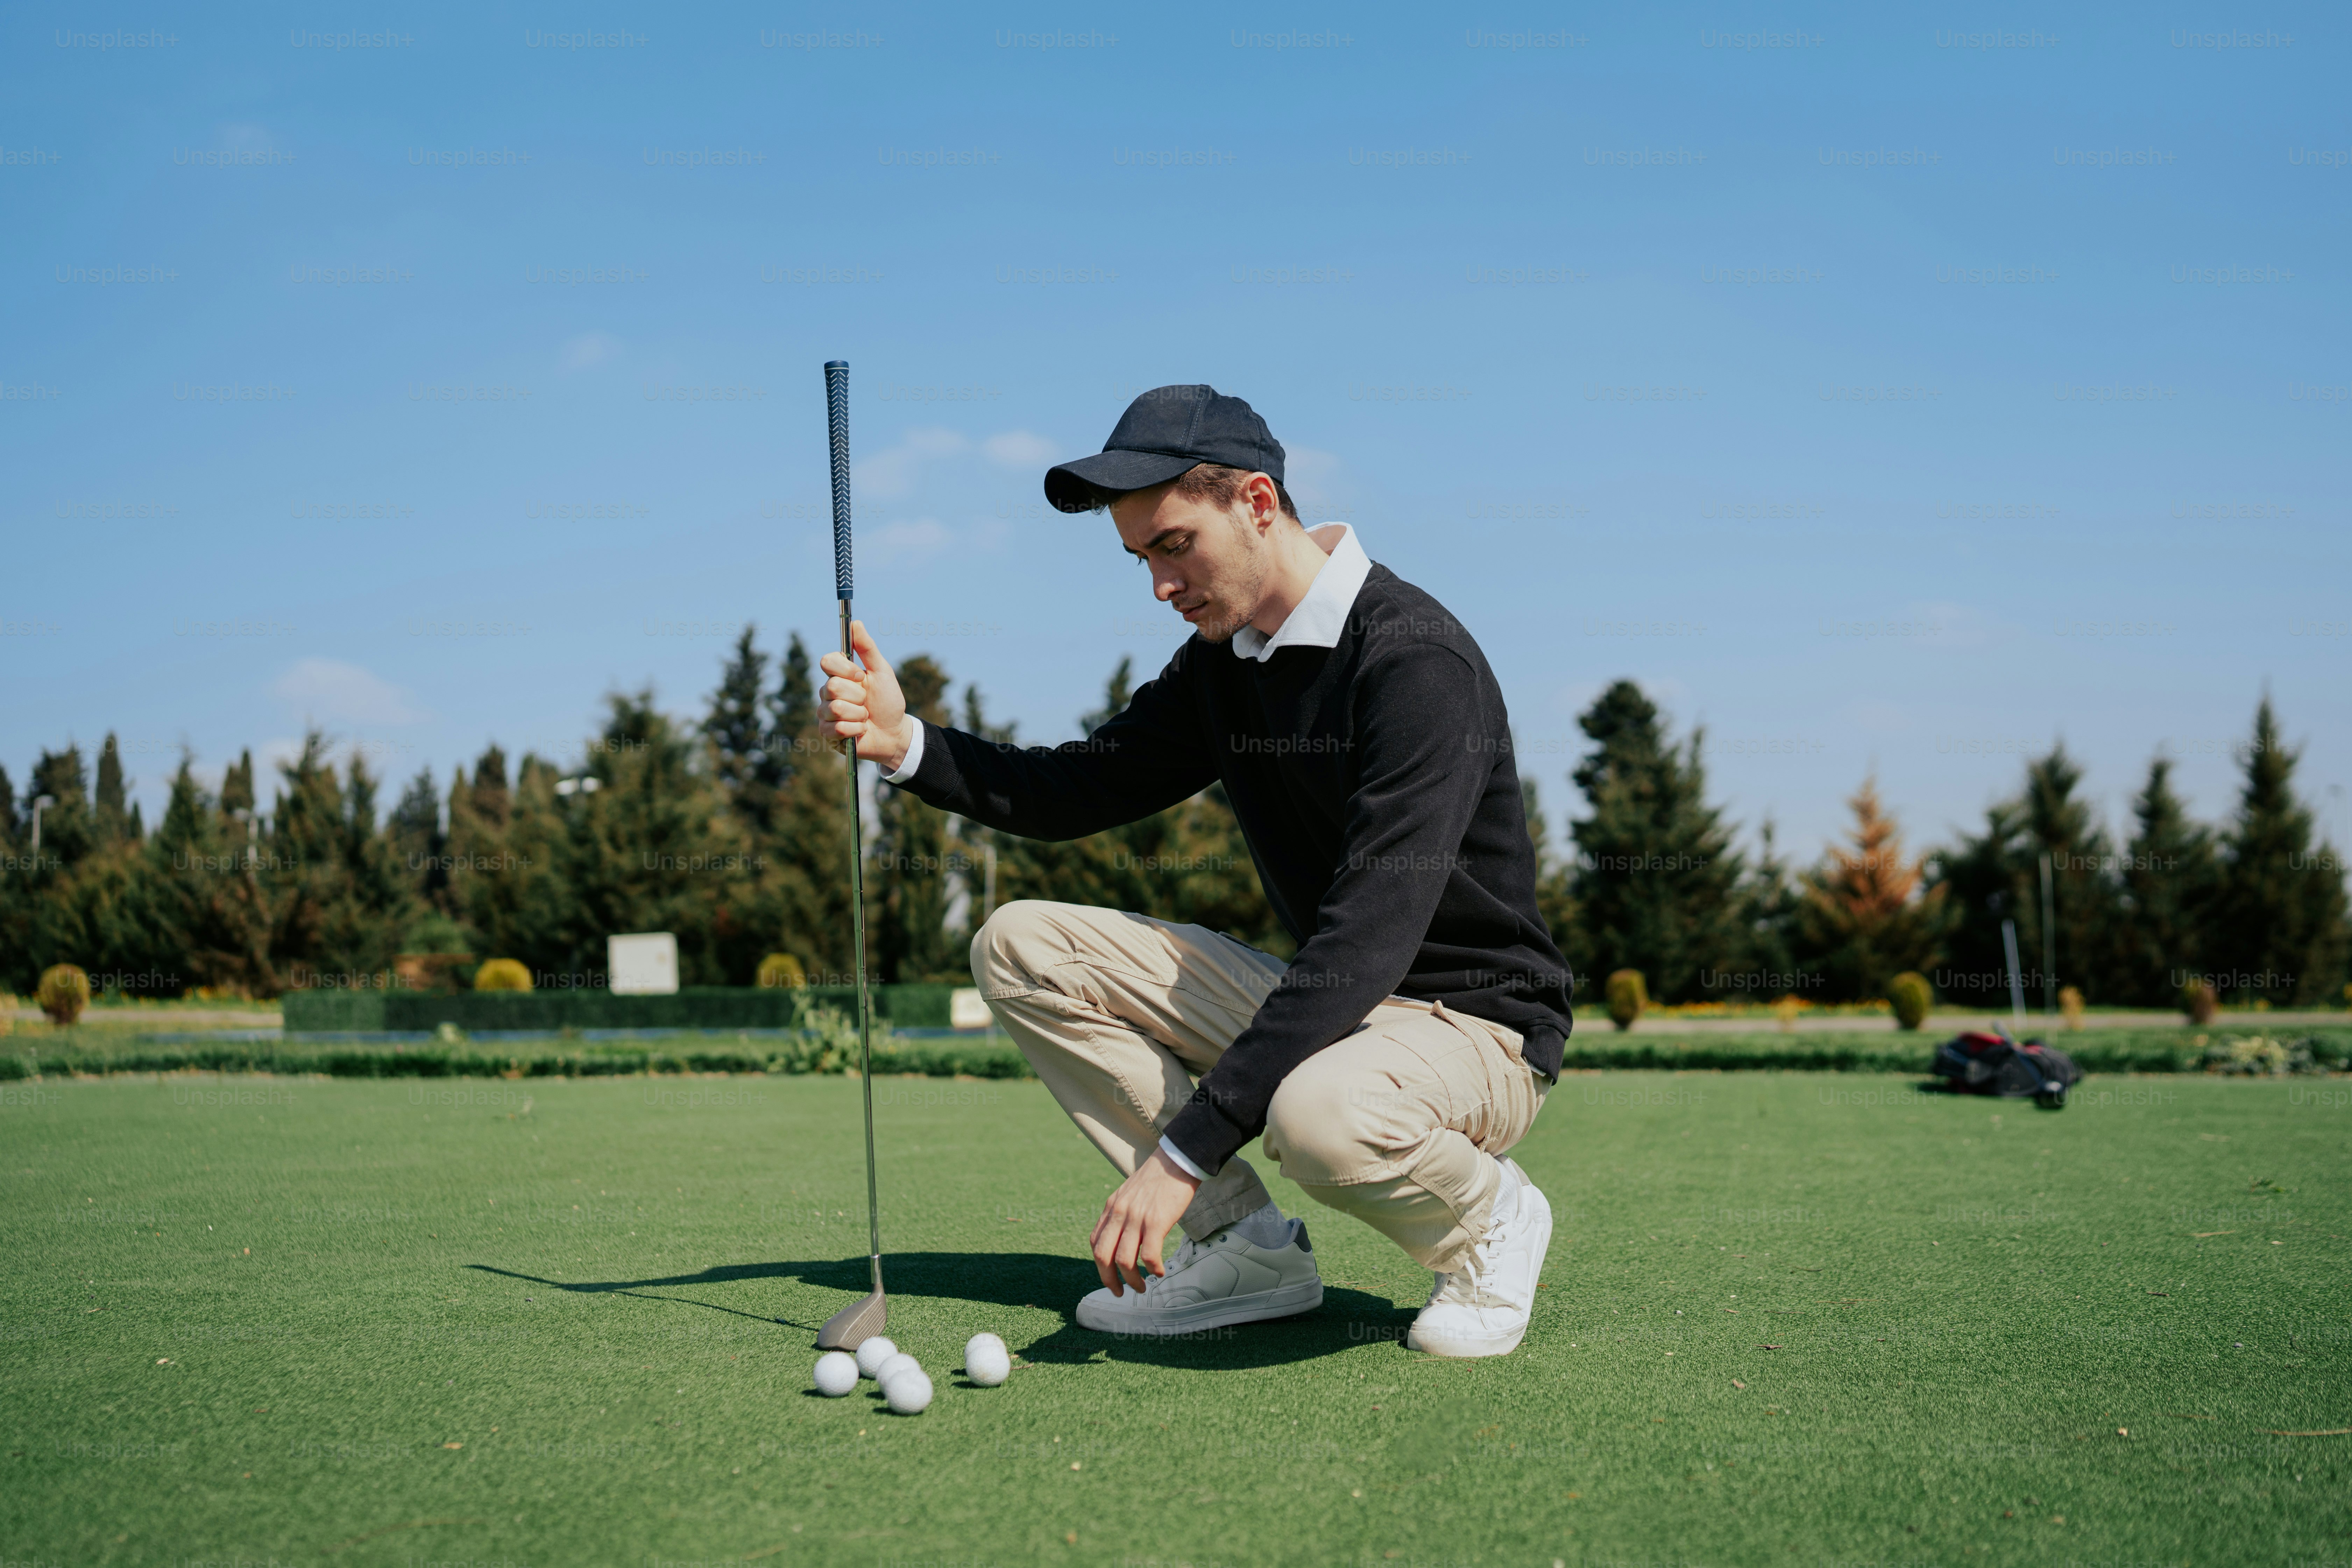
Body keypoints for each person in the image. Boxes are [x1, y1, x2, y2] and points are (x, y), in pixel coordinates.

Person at [818, 384, 1574, 1356]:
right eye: (1140, 558)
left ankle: (1489, 1227)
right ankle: (1247, 1248)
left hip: (1477, 1027)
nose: (1159, 586)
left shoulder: (1414, 659)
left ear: (1257, 503)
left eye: (1173, 545)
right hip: (1346, 1006)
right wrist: (905, 743)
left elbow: (1367, 934)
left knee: (1316, 1119)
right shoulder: (1225, 664)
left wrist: (1181, 1151)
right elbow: (1075, 790)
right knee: (1022, 944)